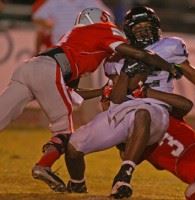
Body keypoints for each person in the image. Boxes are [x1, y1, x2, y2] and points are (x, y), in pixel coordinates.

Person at [63, 6, 195, 199]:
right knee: (73, 147)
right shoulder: (119, 57)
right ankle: (77, 185)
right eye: (138, 28)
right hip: (123, 109)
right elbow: (116, 98)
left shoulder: (170, 47)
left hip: (156, 107)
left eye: (148, 26)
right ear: (130, 32)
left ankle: (123, 176)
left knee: (143, 114)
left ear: (157, 27)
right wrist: (126, 72)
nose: (144, 31)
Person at [0, 7, 180, 192]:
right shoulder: (102, 29)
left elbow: (73, 93)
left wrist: (101, 91)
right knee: (64, 131)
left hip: (28, 68)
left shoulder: (73, 35)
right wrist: (169, 67)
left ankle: (52, 169)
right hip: (49, 70)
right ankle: (43, 166)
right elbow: (139, 53)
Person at [32, 0, 113, 54]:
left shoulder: (89, 1)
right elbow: (37, 17)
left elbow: (108, 16)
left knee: (82, 77)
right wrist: (48, 23)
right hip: (59, 48)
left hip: (82, 49)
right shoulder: (54, 1)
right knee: (57, 77)